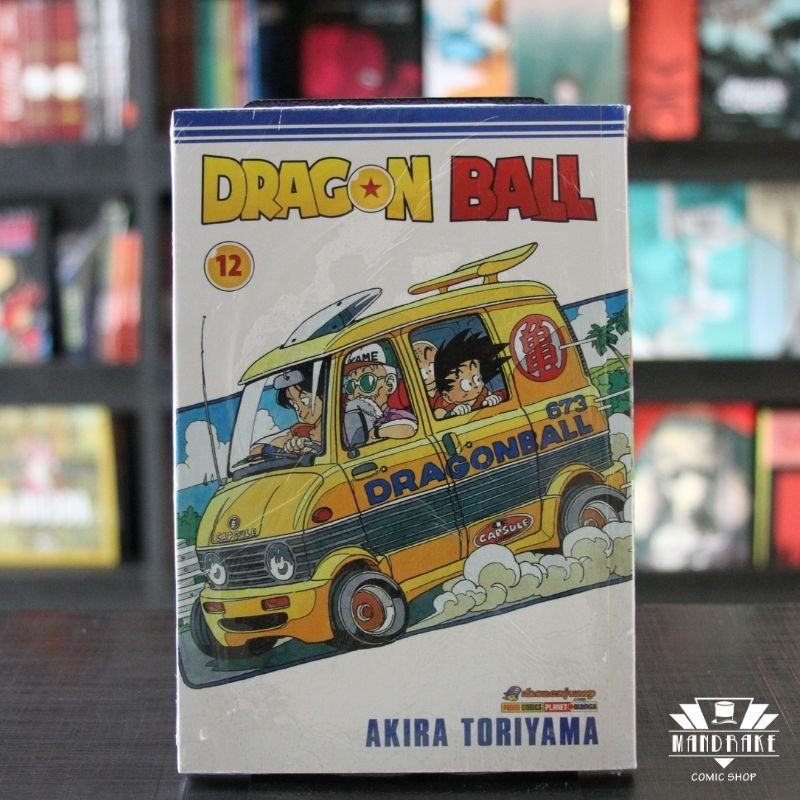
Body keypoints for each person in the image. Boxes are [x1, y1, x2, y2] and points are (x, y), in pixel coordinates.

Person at [342, 343, 417, 445]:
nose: (357, 393)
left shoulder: (394, 416)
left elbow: (410, 428)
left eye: (367, 382)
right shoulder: (349, 425)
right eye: (351, 386)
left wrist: (375, 433)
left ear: (389, 384)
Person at [432, 329, 508, 418]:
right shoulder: (447, 407)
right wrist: (452, 414)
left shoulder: (484, 394)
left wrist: (494, 399)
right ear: (447, 397)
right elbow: (440, 416)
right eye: (466, 384)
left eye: (477, 379)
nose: (475, 386)